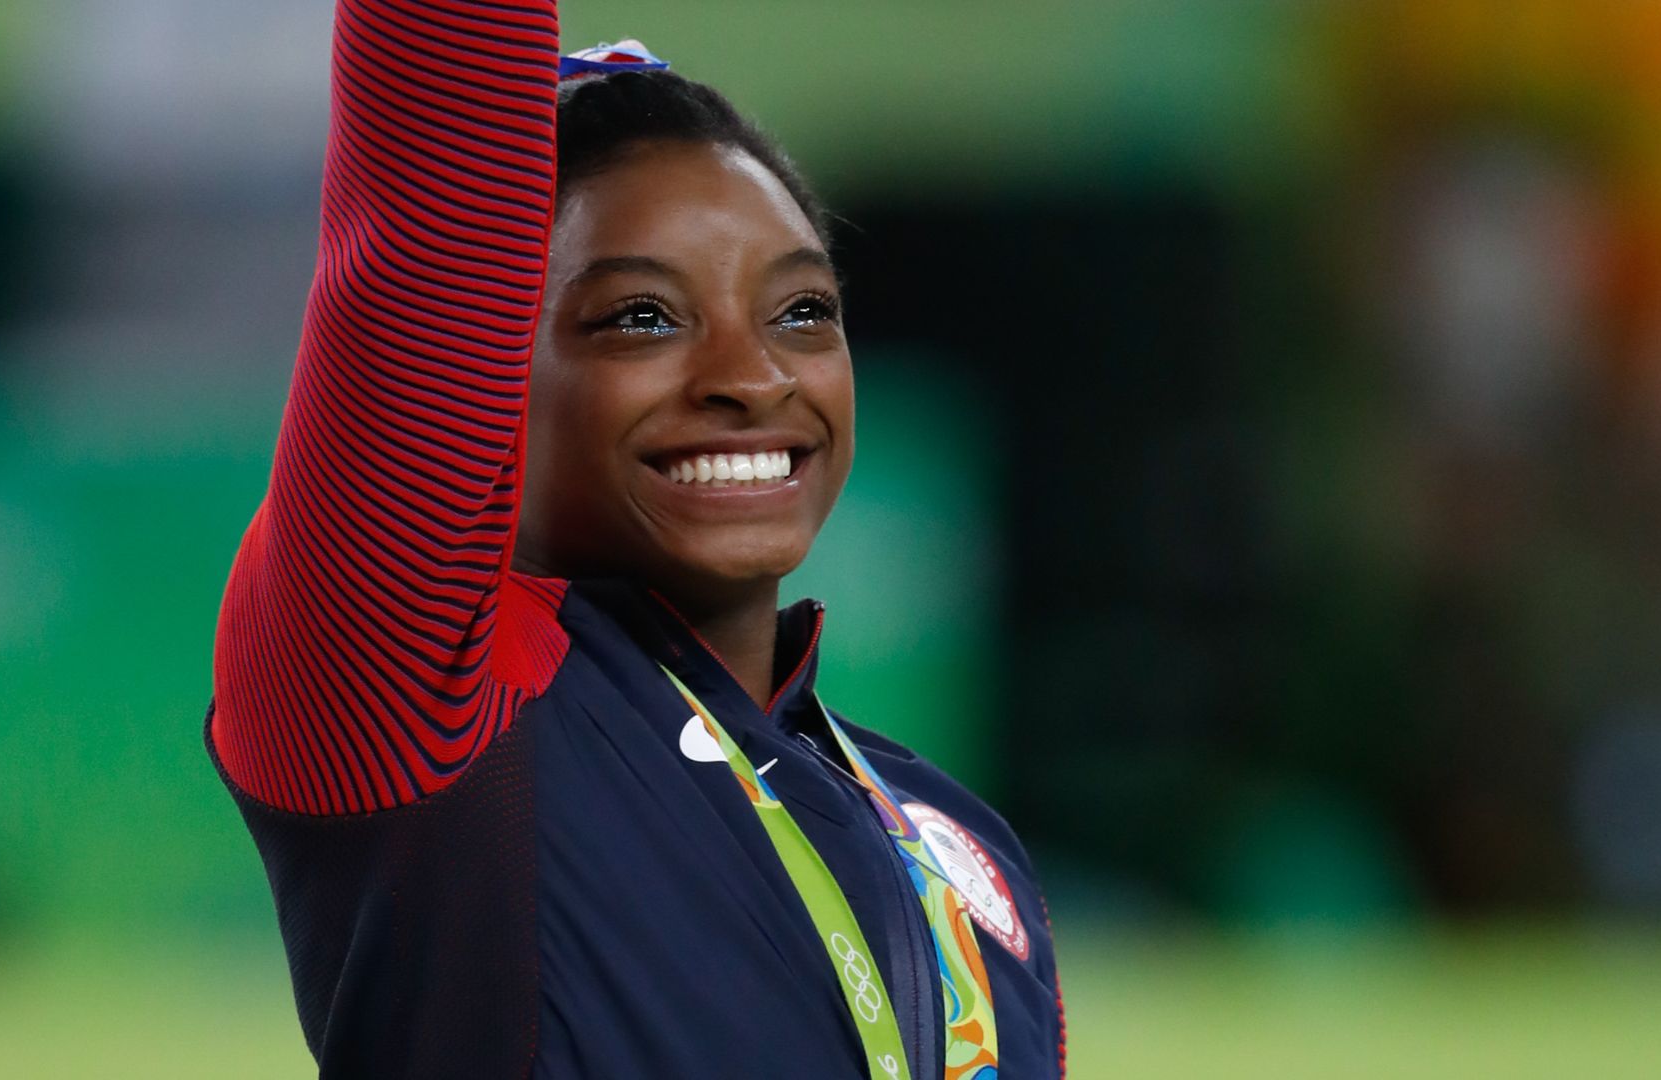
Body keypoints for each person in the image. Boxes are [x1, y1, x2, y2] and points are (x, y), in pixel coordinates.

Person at [205, 3, 1065, 1077]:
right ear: (486, 386)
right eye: (641, 319)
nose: (753, 379)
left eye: (801, 309)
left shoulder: (960, 851)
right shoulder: (430, 720)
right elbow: (435, 198)